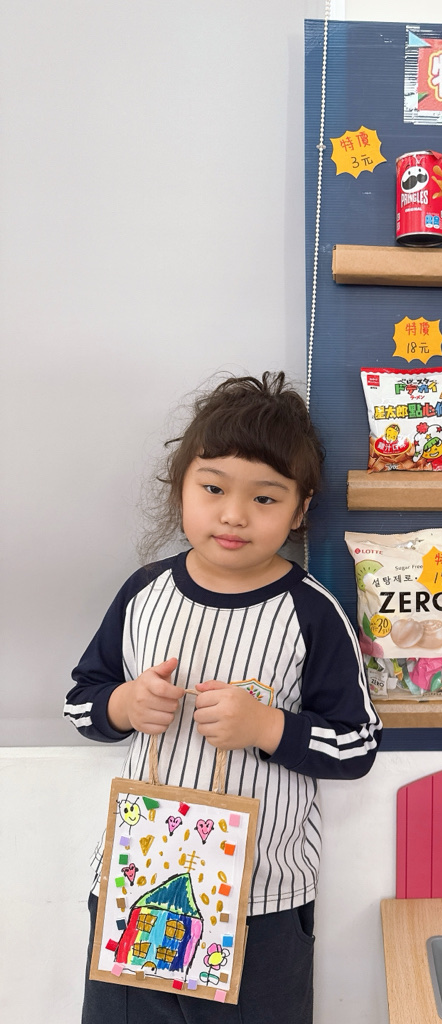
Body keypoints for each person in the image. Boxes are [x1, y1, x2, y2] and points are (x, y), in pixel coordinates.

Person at [64, 372, 382, 1023]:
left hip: (262, 905)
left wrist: (268, 728)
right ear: (181, 488)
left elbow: (357, 746)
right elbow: (80, 702)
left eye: (264, 498)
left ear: (299, 510)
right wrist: (124, 705)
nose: (234, 514)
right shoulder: (144, 593)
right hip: (137, 886)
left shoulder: (312, 612)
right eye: (213, 489)